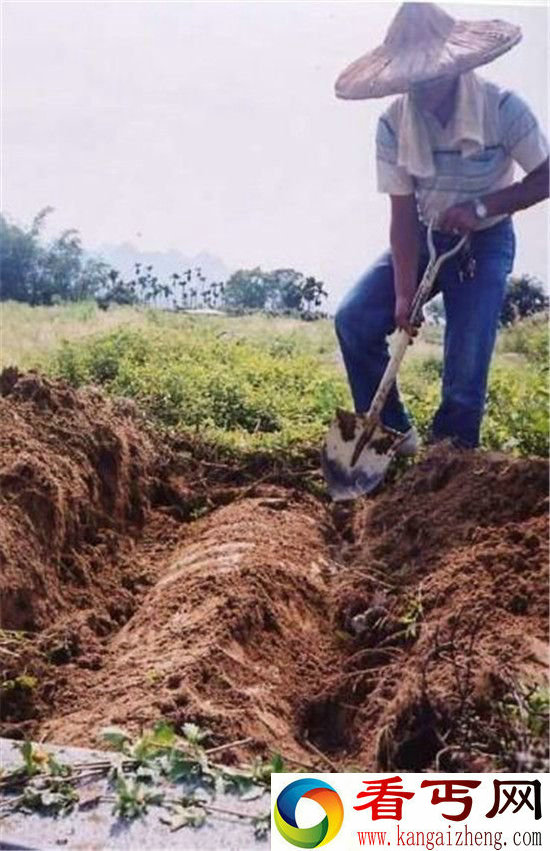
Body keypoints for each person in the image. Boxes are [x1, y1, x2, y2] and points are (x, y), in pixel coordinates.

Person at [333, 2, 549, 452]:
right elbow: (402, 212)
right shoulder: (393, 124)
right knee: (354, 320)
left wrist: (484, 207)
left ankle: (447, 462)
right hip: (426, 234)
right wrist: (403, 292)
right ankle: (392, 436)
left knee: (466, 363)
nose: (425, 86)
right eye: (416, 76)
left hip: (486, 241)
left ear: (456, 65)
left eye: (433, 72)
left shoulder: (503, 108)